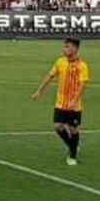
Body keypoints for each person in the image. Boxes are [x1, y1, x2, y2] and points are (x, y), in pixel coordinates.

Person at [32, 38, 90, 166]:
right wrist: (39, 91)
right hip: (60, 102)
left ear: (75, 49)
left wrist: (74, 101)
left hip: (74, 105)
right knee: (58, 126)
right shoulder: (60, 62)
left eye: (67, 47)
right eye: (64, 46)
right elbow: (50, 76)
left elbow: (82, 84)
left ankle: (72, 156)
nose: (64, 49)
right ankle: (72, 146)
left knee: (73, 129)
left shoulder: (82, 65)